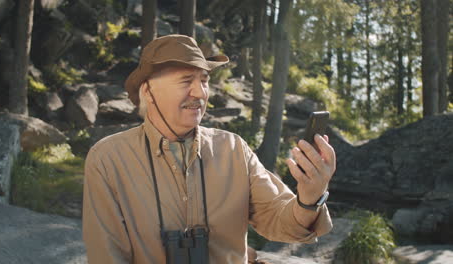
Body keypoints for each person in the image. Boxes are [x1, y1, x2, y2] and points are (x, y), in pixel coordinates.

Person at [82, 34, 336, 264]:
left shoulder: (234, 149)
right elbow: (107, 256)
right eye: (185, 81)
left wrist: (310, 197)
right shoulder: (108, 159)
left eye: (204, 80)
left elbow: (282, 223)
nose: (200, 92)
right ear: (148, 91)